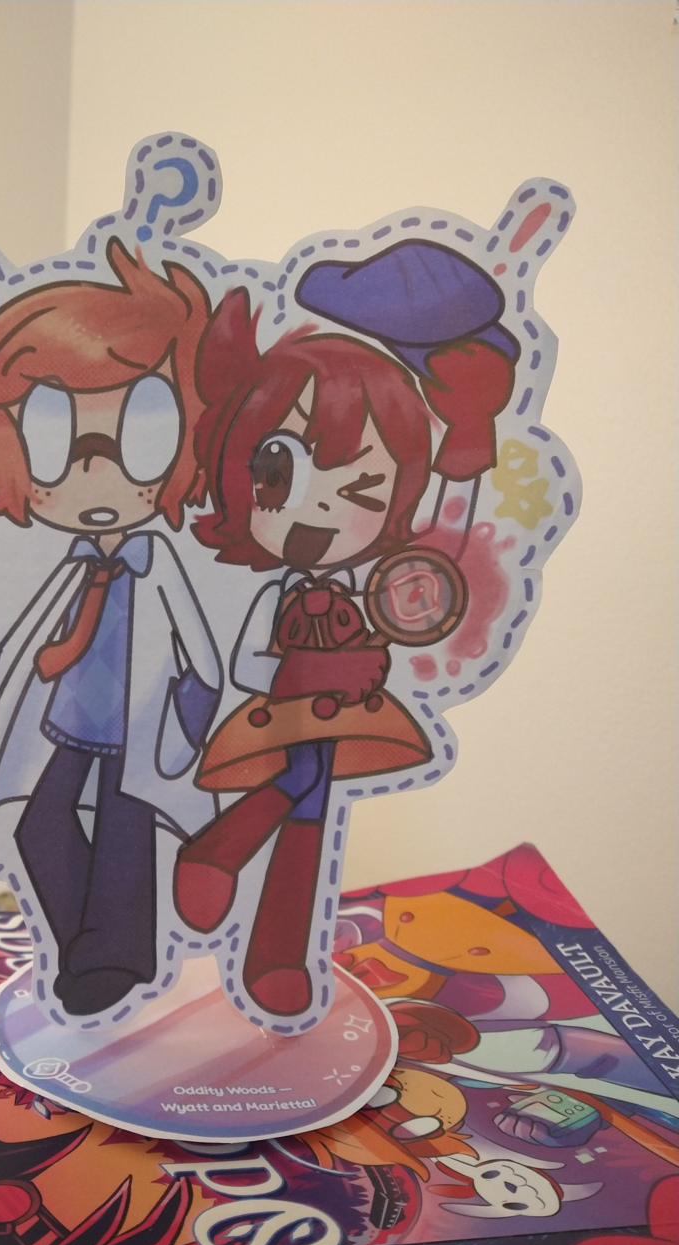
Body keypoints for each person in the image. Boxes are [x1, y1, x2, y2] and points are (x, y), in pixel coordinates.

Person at [0, 239, 222, 1017]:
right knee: (39, 824)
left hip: (141, 726)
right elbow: (7, 672)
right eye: (50, 438)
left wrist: (189, 722)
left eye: (142, 433)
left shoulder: (156, 564)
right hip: (67, 721)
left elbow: (202, 654)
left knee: (129, 835)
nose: (95, 469)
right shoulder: (66, 572)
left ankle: (114, 960)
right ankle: (89, 951)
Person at [174, 284, 514, 1017]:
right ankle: (220, 855)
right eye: (279, 475)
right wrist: (305, 672)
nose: (320, 510)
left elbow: (440, 562)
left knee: (310, 830)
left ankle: (273, 952)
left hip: (347, 722)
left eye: (360, 489)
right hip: (282, 724)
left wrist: (468, 437)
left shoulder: (371, 586)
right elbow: (246, 667)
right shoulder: (273, 595)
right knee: (302, 785)